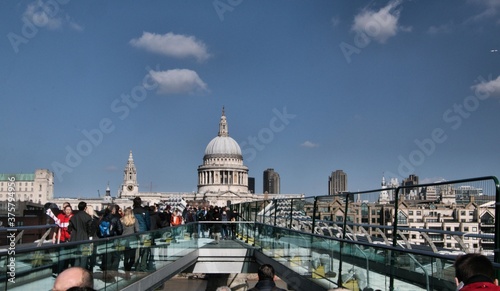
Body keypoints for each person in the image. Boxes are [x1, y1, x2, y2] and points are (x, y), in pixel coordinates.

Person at [69, 201, 92, 268]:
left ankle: (75, 271)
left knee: (77, 257)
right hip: (84, 238)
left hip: (75, 239)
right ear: (85, 208)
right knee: (84, 257)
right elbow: (89, 229)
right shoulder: (88, 217)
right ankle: (82, 272)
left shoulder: (73, 217)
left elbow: (69, 228)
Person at [133, 197, 151, 272]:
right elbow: (148, 222)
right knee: (145, 249)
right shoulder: (145, 211)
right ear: (140, 202)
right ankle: (143, 266)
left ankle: (136, 266)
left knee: (137, 250)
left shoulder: (132, 211)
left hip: (135, 232)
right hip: (144, 232)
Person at [121, 207, 139, 279]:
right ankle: (128, 270)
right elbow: (137, 230)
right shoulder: (134, 220)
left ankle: (126, 272)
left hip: (124, 240)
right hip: (132, 240)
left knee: (126, 257)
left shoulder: (121, 220)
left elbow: (120, 230)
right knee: (132, 258)